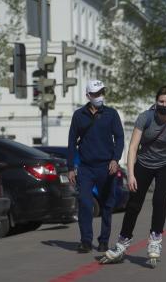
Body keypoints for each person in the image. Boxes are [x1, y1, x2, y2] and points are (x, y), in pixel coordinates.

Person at [100, 86, 166, 266]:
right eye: (161, 101)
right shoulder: (145, 117)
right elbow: (133, 147)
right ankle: (122, 244)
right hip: (144, 164)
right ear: (156, 101)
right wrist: (131, 174)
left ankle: (155, 241)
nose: (164, 105)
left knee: (159, 200)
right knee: (134, 204)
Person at [67, 80, 124, 253]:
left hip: (107, 167)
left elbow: (120, 138)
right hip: (85, 168)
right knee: (85, 203)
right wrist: (70, 167)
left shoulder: (111, 114)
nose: (100, 97)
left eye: (102, 93)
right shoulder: (79, 115)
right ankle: (85, 241)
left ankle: (104, 240)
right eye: (96, 94)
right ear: (88, 96)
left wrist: (115, 159)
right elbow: (71, 142)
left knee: (107, 205)